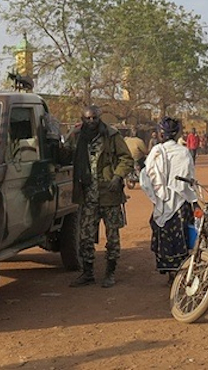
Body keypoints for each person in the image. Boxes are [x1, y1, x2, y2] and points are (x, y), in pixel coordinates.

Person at [64, 105, 134, 288]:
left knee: (112, 237)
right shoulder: (77, 136)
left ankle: (110, 272)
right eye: (87, 118)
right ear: (83, 118)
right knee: (85, 237)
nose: (91, 122)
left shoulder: (111, 135)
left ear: (100, 117)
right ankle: (87, 273)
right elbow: (65, 154)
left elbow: (126, 158)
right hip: (87, 195)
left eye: (94, 118)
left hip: (109, 195)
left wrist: (118, 176)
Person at [140, 117, 198, 283]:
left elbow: (147, 177)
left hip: (162, 202)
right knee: (182, 235)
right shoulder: (184, 152)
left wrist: (157, 195)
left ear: (161, 133)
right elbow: (189, 178)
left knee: (163, 234)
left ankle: (170, 272)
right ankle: (180, 270)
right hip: (181, 201)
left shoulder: (157, 151)